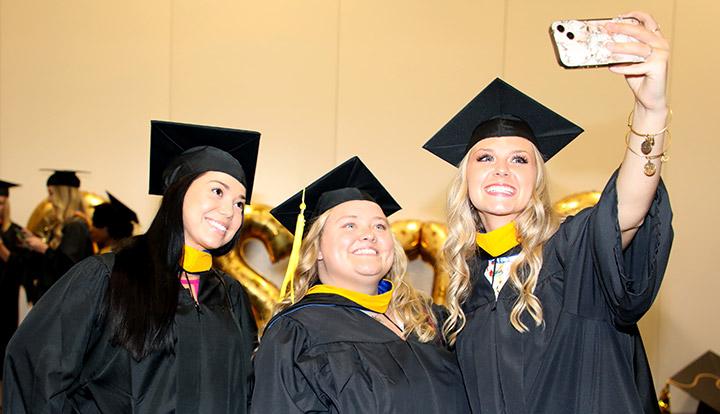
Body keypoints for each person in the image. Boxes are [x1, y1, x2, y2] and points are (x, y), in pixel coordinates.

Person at [423, 12, 672, 414]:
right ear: (464, 177)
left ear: (537, 177)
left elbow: (627, 212)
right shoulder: (467, 289)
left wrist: (651, 112)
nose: (502, 169)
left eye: (520, 159)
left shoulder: (572, 252)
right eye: (485, 157)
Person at [4, 120, 261, 413]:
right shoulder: (107, 276)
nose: (230, 211)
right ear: (179, 190)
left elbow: (245, 391)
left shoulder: (231, 296)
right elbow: (35, 366)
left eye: (240, 203)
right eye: (217, 191)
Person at [251, 156, 470, 413]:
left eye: (380, 226)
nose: (369, 234)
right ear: (317, 248)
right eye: (350, 225)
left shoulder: (428, 318)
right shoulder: (296, 333)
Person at [21, 170, 94, 301]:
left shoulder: (75, 226)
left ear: (63, 195)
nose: (49, 199)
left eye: (51, 193)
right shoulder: (63, 224)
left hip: (64, 301)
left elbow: (68, 267)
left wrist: (43, 248)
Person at [0, 180, 32, 381]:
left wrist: (2, 249)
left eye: (2, 203)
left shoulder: (16, 233)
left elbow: (23, 267)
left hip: (5, 300)